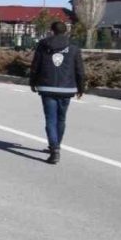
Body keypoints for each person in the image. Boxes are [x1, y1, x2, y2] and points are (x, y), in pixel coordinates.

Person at [28, 20, 85, 164]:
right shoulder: (73, 47)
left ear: (51, 30)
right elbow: (79, 69)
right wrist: (81, 87)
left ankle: (54, 149)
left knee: (50, 119)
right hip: (67, 88)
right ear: (66, 31)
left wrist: (33, 81)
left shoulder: (43, 45)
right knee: (61, 118)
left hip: (47, 86)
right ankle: (56, 145)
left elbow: (36, 65)